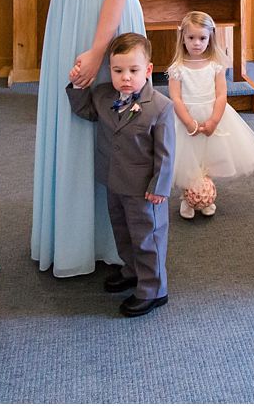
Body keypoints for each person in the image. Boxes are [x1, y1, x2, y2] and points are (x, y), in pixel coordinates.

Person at [26, 0, 147, 278]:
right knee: (70, 117)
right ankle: (72, 230)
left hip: (104, 17)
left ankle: (105, 238)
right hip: (68, 10)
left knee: (103, 125)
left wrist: (99, 51)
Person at [66, 32, 175, 317]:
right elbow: (84, 111)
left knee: (147, 237)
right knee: (123, 232)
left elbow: (166, 153)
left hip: (144, 190)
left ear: (148, 70)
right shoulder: (104, 96)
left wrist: (159, 187)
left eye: (133, 70)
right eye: (118, 70)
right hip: (114, 181)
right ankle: (131, 271)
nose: (125, 77)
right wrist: (78, 85)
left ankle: (153, 289)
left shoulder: (160, 108)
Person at [166, 11, 254, 219]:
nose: (196, 43)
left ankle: (205, 194)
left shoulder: (215, 66)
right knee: (188, 158)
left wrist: (213, 120)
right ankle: (187, 198)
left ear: (210, 37)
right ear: (182, 38)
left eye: (202, 38)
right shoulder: (177, 68)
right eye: (191, 38)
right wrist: (188, 122)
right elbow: (175, 98)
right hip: (186, 117)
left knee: (208, 155)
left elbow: (221, 95)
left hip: (212, 114)